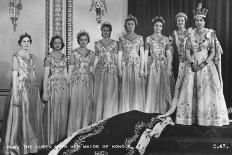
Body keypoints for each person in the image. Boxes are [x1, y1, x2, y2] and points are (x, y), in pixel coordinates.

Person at [159, 3, 229, 126]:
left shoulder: (210, 33)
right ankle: (191, 118)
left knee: (207, 92)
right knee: (190, 91)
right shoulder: (190, 34)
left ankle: (208, 118)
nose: (198, 22)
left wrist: (204, 63)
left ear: (204, 21)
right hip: (192, 65)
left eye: (201, 20)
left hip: (206, 66)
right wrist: (192, 63)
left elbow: (213, 51)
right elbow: (186, 51)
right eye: (196, 20)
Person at [48, 110, 174, 155]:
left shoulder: (153, 128)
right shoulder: (154, 120)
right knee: (98, 133)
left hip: (126, 125)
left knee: (101, 136)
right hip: (127, 120)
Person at [2, 32, 43, 154]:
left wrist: (37, 92)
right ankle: (18, 145)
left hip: (32, 89)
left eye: (28, 41)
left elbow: (34, 75)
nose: (26, 43)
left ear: (30, 42)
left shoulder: (33, 57)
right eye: (24, 41)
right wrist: (15, 95)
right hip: (21, 88)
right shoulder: (16, 56)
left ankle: (30, 145)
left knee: (30, 115)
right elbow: (15, 76)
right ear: (20, 43)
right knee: (21, 115)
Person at [144, 16, 175, 114]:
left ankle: (163, 109)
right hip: (152, 63)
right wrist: (144, 68)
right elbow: (145, 54)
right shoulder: (148, 39)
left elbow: (169, 54)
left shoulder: (165, 39)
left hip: (162, 64)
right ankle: (151, 109)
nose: (158, 27)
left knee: (163, 86)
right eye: (156, 25)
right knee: (152, 85)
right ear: (153, 27)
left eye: (160, 26)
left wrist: (169, 67)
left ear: (162, 27)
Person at [42, 35, 69, 145]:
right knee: (54, 111)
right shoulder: (48, 58)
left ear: (62, 44)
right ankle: (51, 139)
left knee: (63, 111)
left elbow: (66, 74)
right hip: (52, 86)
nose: (57, 44)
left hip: (63, 87)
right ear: (52, 44)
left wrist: (69, 88)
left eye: (59, 43)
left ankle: (62, 139)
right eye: (55, 43)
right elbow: (45, 76)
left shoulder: (65, 57)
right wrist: (44, 92)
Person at [67, 31, 95, 136]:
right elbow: (70, 69)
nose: (83, 42)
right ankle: (74, 131)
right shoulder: (73, 52)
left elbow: (92, 69)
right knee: (76, 103)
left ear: (88, 41)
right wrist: (68, 82)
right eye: (81, 40)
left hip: (88, 81)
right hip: (76, 81)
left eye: (85, 40)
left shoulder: (92, 53)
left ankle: (85, 129)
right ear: (78, 40)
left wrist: (94, 81)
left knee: (87, 104)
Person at [118, 15, 145, 113]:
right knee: (126, 85)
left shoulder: (140, 38)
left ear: (135, 25)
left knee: (136, 85)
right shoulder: (121, 39)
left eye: (132, 24)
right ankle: (126, 110)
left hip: (136, 64)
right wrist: (120, 69)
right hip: (125, 64)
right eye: (128, 24)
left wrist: (142, 68)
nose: (130, 26)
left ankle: (136, 108)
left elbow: (142, 54)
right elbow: (120, 54)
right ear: (126, 25)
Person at [93, 22, 119, 122]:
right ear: (101, 31)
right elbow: (96, 58)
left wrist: (118, 69)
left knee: (111, 93)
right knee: (100, 93)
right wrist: (93, 71)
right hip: (100, 70)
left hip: (112, 70)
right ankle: (99, 118)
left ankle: (110, 117)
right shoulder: (97, 43)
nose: (106, 32)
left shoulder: (115, 43)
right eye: (104, 30)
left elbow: (116, 57)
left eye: (107, 31)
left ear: (110, 32)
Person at [172, 12, 189, 82]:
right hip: (177, 60)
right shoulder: (174, 33)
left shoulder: (189, 32)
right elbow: (172, 47)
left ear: (185, 22)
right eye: (178, 20)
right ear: (176, 22)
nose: (180, 22)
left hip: (188, 59)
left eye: (182, 20)